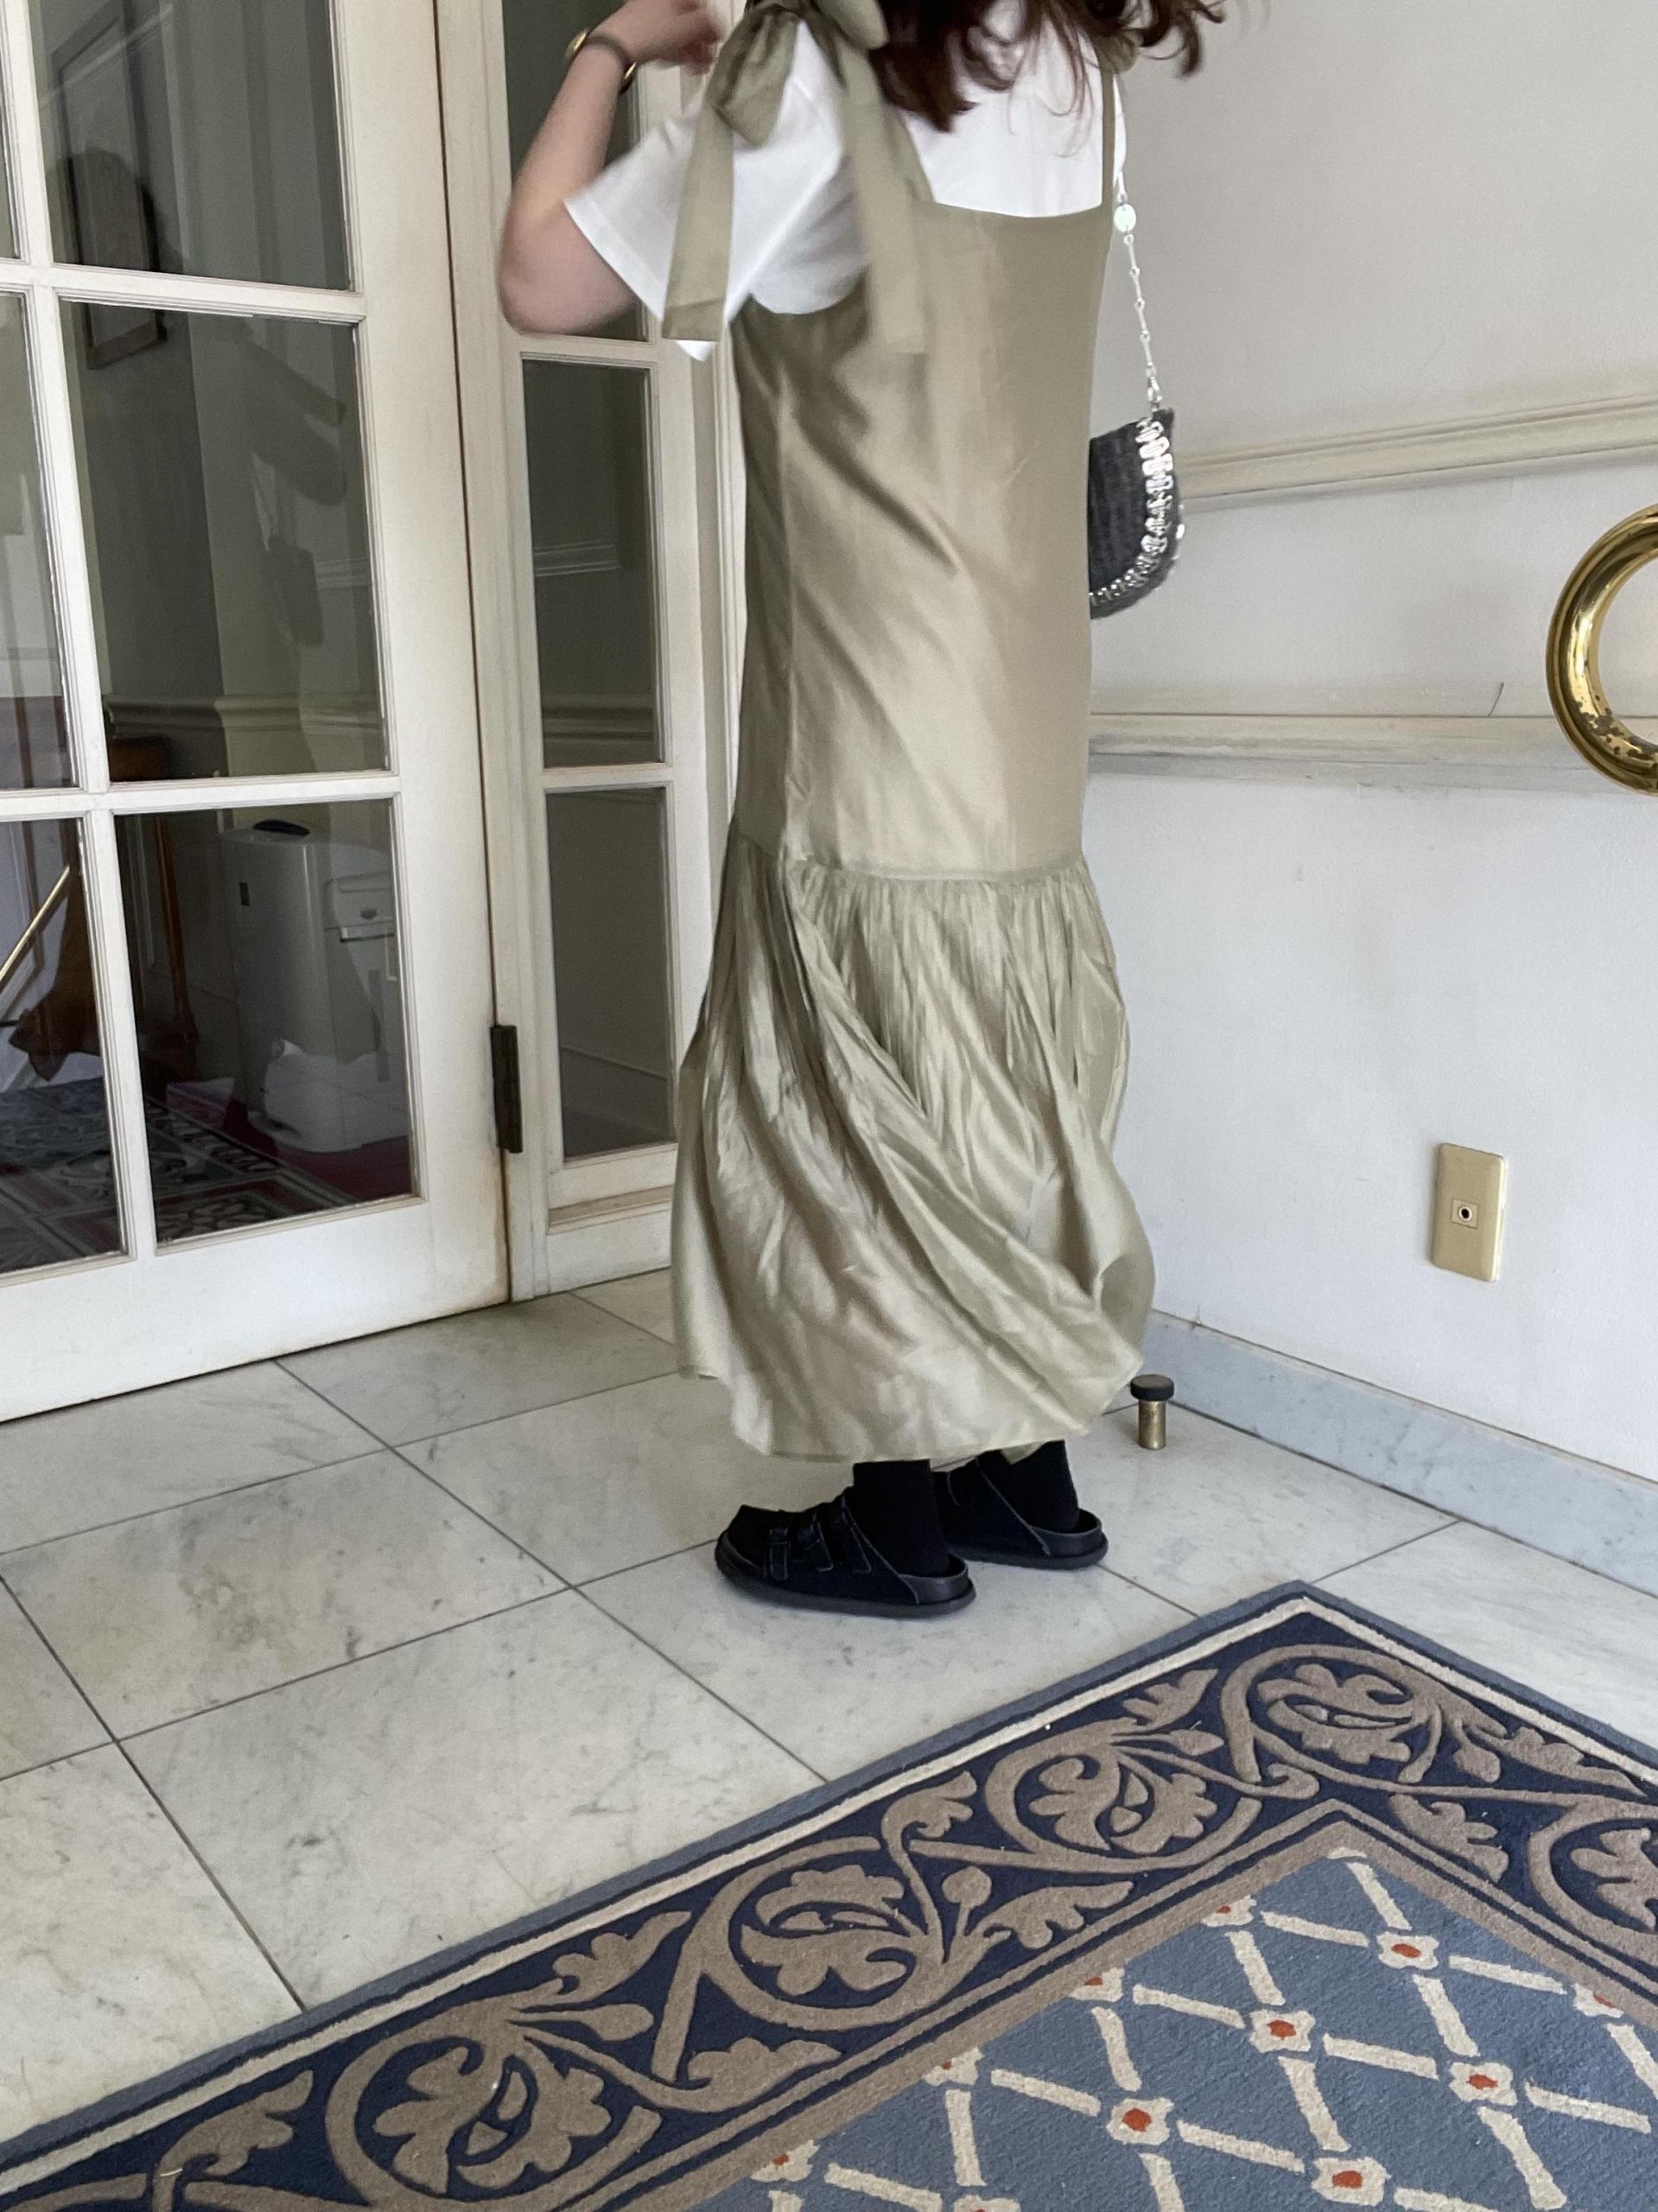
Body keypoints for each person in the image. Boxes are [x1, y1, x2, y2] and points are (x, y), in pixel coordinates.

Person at [500, 0, 1218, 1621]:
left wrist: (614, 44)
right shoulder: (1071, 56)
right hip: (1020, 682)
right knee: (1004, 1071)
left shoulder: (809, 73)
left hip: (868, 682)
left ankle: (894, 1525)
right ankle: (1024, 1481)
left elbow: (538, 279)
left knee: (853, 1093)